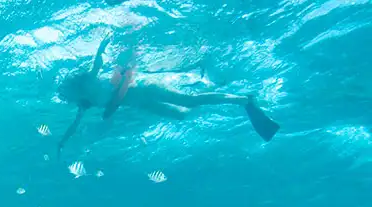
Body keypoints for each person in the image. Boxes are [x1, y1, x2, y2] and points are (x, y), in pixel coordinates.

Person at [57, 34, 280, 153]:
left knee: (190, 101)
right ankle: (211, 88)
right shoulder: (85, 103)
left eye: (69, 94)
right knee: (182, 114)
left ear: (75, 89)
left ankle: (244, 100)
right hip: (141, 104)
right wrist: (63, 142)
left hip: (145, 89)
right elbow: (74, 125)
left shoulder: (91, 80)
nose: (70, 99)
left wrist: (101, 46)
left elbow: (97, 64)